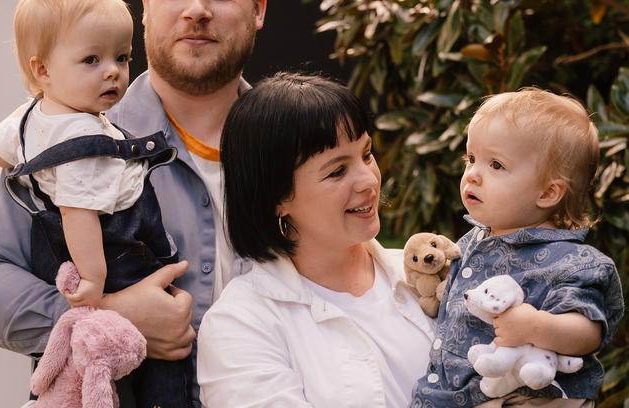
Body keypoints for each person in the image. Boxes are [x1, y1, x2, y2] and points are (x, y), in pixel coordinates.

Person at [0, 0, 268, 405]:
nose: (196, 9)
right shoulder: (65, 139)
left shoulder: (298, 146)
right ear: (147, 3)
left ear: (257, 8)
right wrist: (107, 319)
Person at [0, 0, 194, 407]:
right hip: (112, 263)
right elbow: (77, 213)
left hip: (61, 263)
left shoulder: (28, 118)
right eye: (92, 60)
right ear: (42, 69)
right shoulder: (87, 143)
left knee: (83, 377)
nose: (113, 71)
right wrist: (100, 292)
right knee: (159, 376)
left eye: (121, 57)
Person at [196, 72, 436, 407]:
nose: (368, 180)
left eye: (367, 154)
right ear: (277, 197)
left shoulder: (428, 276)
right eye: (337, 171)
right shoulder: (240, 323)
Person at [411, 88, 624, 407]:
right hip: (450, 394)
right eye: (471, 159)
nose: (473, 175)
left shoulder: (570, 262)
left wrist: (537, 326)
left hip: (526, 396)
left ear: (549, 193)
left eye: (496, 164)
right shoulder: (472, 242)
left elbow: (589, 331)